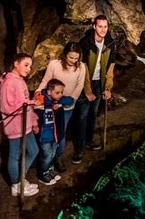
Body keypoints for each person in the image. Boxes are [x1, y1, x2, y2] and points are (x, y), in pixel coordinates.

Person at [72, 15, 116, 164]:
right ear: (94, 27)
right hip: (84, 81)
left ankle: (89, 141)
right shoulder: (85, 43)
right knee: (82, 115)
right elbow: (81, 68)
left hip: (99, 82)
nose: (103, 29)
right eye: (100, 26)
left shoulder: (110, 44)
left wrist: (108, 88)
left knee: (93, 114)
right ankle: (79, 148)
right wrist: (87, 90)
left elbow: (110, 68)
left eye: (105, 26)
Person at [35, 42, 86, 172]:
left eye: (76, 58)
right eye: (71, 58)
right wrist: (38, 92)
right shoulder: (54, 65)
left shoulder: (81, 67)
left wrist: (70, 100)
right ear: (65, 55)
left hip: (66, 106)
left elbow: (80, 85)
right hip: (51, 104)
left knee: (61, 132)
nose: (73, 61)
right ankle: (47, 158)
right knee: (49, 131)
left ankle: (58, 156)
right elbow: (46, 81)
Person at [0, 53, 40, 197]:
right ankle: (16, 185)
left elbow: (26, 102)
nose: (29, 68)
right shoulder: (9, 82)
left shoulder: (20, 80)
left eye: (30, 65)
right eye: (26, 65)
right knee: (15, 156)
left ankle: (20, 178)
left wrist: (34, 120)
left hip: (26, 124)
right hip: (15, 125)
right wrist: (31, 102)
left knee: (34, 150)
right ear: (16, 64)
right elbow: (7, 107)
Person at [34, 79, 74, 185]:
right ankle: (42, 173)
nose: (60, 95)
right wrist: (50, 103)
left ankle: (50, 170)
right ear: (48, 92)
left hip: (55, 134)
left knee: (52, 153)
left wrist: (58, 101)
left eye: (61, 92)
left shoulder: (58, 101)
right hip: (44, 135)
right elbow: (36, 108)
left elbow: (70, 100)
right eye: (57, 92)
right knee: (46, 154)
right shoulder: (41, 101)